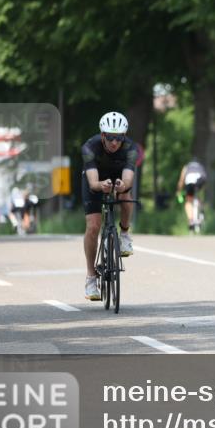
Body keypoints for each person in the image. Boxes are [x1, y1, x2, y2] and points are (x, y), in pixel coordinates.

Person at [81, 111, 137, 300]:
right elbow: (93, 183)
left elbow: (128, 178)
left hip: (118, 176)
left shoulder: (130, 148)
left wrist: (123, 185)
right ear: (103, 135)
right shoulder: (90, 147)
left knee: (126, 194)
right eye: (111, 137)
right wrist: (101, 185)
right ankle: (91, 277)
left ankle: (125, 234)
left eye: (119, 138)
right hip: (95, 178)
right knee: (93, 226)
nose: (114, 142)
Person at [176, 158, 207, 232]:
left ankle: (191, 220)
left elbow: (181, 180)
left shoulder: (187, 167)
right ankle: (201, 212)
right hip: (201, 180)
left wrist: (179, 190)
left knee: (188, 201)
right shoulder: (200, 166)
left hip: (190, 181)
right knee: (199, 198)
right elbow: (205, 178)